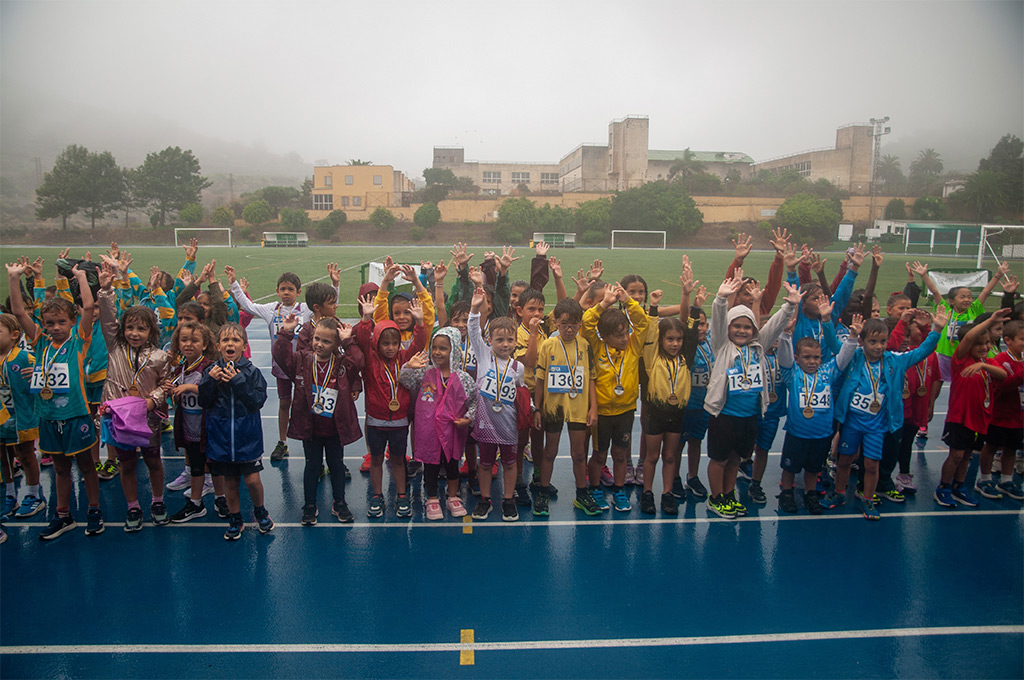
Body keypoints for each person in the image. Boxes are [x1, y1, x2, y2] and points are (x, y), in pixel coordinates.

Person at [6, 260, 104, 540]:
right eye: (50, 323)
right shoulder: (40, 343)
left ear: (72, 322)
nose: (56, 327)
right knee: (60, 468)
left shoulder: (78, 341)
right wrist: (14, 278)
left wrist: (81, 278)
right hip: (48, 418)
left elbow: (87, 307)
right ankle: (63, 515)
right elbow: (18, 312)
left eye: (62, 322)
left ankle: (94, 510)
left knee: (86, 466)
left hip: (76, 416)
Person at [830, 307, 947, 519]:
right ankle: (839, 493)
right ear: (863, 342)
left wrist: (936, 329)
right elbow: (833, 344)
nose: (878, 347)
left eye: (883, 341)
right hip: (852, 421)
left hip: (878, 423)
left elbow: (923, 351)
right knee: (845, 460)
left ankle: (868, 499)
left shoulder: (895, 360)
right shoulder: (854, 357)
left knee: (872, 464)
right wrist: (837, 326)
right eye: (873, 342)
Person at [704, 270, 801, 519]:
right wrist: (721, 300)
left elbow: (777, 324)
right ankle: (715, 498)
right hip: (724, 414)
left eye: (747, 327)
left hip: (749, 416)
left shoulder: (759, 345)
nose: (743, 331)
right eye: (736, 326)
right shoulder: (722, 345)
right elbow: (717, 321)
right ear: (728, 328)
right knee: (719, 459)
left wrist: (790, 305)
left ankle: (727, 495)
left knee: (736, 459)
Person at [98, 266, 173, 531]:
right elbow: (108, 319)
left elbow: (167, 384)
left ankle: (157, 500)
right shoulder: (115, 347)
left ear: (151, 331)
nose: (134, 333)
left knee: (153, 461)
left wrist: (154, 399)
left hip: (148, 418)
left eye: (141, 328)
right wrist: (106, 290)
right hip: (119, 418)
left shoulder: (160, 356)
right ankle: (133, 506)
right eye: (129, 327)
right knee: (126, 464)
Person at [274, 314, 362, 525]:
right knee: (312, 466)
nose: (319, 344)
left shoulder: (341, 363)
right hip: (310, 427)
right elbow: (280, 355)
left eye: (326, 341)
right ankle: (309, 505)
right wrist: (286, 333)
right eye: (317, 339)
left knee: (337, 465)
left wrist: (348, 340)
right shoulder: (301, 360)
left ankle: (339, 502)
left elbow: (358, 361)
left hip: (334, 428)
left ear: (336, 344)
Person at [354, 283, 427, 519]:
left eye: (394, 343)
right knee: (376, 459)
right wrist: (367, 318)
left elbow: (418, 343)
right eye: (385, 343)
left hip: (399, 421)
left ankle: (402, 496)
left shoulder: (404, 357)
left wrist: (420, 323)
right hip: (376, 420)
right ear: (376, 343)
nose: (390, 347)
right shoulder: (371, 359)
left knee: (398, 460)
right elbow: (363, 338)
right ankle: (377, 495)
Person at [227, 266, 310, 463]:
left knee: (306, 405)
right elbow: (247, 305)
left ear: (298, 292)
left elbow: (327, 304)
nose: (286, 293)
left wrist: (336, 285)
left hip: (301, 367)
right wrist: (234, 283)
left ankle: (310, 442)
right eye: (283, 289)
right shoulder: (271, 309)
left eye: (290, 289)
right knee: (284, 403)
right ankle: (283, 442)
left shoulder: (306, 309)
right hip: (281, 367)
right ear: (277, 291)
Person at [197, 323, 272, 540]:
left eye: (236, 340)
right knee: (230, 481)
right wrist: (210, 381)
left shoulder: (251, 373)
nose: (231, 344)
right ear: (218, 346)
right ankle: (235, 517)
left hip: (246, 437)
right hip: (221, 438)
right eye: (226, 340)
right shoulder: (210, 372)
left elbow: (256, 402)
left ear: (244, 346)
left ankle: (260, 511)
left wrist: (238, 381)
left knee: (251, 480)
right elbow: (204, 401)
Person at [584, 283, 653, 513]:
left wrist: (627, 301)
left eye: (625, 333)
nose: (624, 338)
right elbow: (586, 323)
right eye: (619, 335)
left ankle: (619, 490)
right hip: (602, 412)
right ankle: (594, 487)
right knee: (599, 454)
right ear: (604, 335)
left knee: (621, 453)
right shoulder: (596, 345)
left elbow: (643, 322)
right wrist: (604, 304)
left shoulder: (633, 346)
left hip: (625, 411)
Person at [934, 310, 1009, 508]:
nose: (984, 347)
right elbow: (968, 337)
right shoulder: (961, 360)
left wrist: (983, 367)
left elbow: (1002, 374)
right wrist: (990, 321)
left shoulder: (986, 363)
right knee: (956, 455)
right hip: (960, 418)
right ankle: (943, 487)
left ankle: (959, 487)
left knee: (967, 456)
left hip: (980, 419)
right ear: (967, 346)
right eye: (979, 344)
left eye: (987, 343)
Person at [400, 327, 475, 520]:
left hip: (452, 432)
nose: (437, 352)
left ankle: (452, 496)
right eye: (434, 347)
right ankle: (432, 498)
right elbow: (404, 380)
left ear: (455, 350)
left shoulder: (463, 378)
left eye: (443, 348)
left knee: (452, 465)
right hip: (429, 432)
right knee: (431, 467)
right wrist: (409, 366)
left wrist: (468, 418)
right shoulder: (424, 373)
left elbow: (474, 401)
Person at [776, 328, 854, 514]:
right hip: (797, 433)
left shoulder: (827, 372)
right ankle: (786, 493)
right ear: (797, 358)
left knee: (813, 469)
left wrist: (852, 339)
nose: (813, 362)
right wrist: (785, 336)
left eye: (817, 357)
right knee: (790, 467)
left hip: (822, 434)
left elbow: (842, 359)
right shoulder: (792, 373)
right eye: (807, 357)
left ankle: (810, 494)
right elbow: (784, 357)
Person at [533, 298, 598, 517]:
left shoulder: (585, 345)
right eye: (564, 324)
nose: (569, 329)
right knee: (549, 452)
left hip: (578, 408)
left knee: (579, 454)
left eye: (574, 324)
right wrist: (538, 408)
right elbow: (540, 379)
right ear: (555, 323)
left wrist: (593, 407)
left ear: (580, 323)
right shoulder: (548, 345)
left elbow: (591, 379)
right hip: (553, 408)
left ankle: (581, 494)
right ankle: (543, 491)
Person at [468, 285, 525, 521]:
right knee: (485, 463)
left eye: (509, 340)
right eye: (499, 339)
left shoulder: (517, 367)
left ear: (515, 342)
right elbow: (473, 330)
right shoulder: (483, 356)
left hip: (508, 424)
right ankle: (485, 499)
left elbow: (521, 394)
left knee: (510, 464)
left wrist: (531, 411)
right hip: (485, 422)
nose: (504, 344)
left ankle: (508, 499)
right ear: (489, 340)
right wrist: (474, 309)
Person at [164, 321, 225, 522]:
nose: (189, 344)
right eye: (184, 340)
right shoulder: (180, 369)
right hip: (190, 427)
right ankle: (196, 503)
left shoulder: (210, 367)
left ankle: (220, 498)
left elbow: (213, 393)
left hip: (209, 428)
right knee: (196, 467)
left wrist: (190, 388)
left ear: (205, 344)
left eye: (195, 340)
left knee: (215, 467)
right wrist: (169, 390)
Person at [0, 314, 43, 519]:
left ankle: (34, 494)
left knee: (25, 455)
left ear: (14, 335)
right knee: (3, 457)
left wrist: (38, 373)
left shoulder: (24, 357)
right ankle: (9, 494)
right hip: (1, 421)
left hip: (22, 418)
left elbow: (43, 376)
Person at [978, 320, 1024, 500]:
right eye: (1022, 339)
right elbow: (1004, 385)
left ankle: (1006, 480)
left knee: (1012, 448)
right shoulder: (1000, 360)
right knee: (991, 446)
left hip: (1018, 416)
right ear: (1008, 340)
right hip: (999, 414)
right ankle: (985, 478)